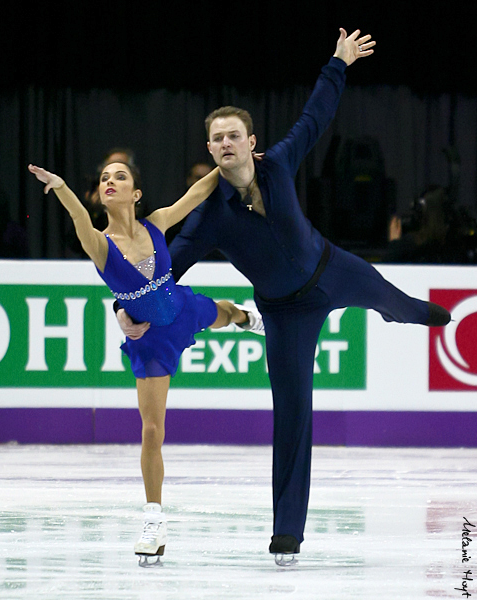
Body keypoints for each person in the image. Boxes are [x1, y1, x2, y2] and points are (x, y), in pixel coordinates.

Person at [117, 28, 451, 565]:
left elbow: (315, 116)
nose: (226, 144)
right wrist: (126, 305)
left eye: (234, 136)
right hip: (286, 312)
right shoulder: (209, 218)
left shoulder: (278, 162)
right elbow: (168, 264)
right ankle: (287, 530)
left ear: (250, 142)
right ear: (210, 150)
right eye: (217, 139)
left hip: (332, 269)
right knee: (293, 412)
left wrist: (338, 61)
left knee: (397, 301)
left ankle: (398, 315)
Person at [28, 161, 264, 565]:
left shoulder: (156, 223)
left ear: (136, 193)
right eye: (103, 178)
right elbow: (78, 216)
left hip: (182, 308)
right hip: (151, 342)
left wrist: (230, 164)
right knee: (152, 429)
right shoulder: (100, 244)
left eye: (120, 177)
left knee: (224, 314)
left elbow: (194, 196)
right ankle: (154, 519)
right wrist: (62, 185)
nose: (110, 182)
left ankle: (247, 317)